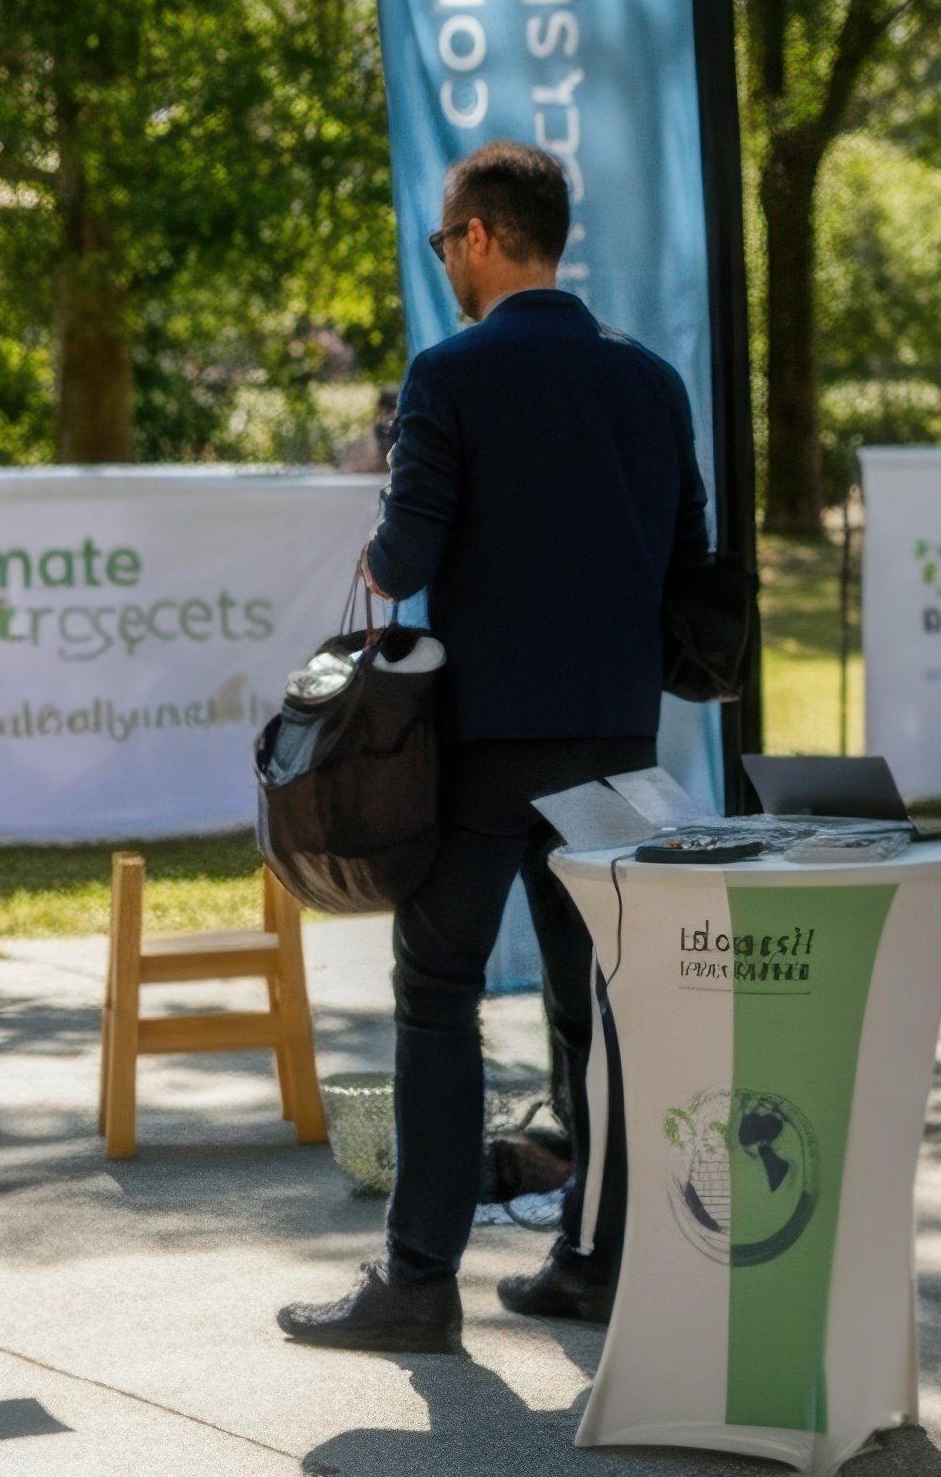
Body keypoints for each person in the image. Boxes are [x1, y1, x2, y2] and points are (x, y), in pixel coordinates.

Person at [279, 141, 707, 1353]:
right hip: (616, 743)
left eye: (443, 241)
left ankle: (417, 1282)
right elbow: (690, 562)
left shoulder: (450, 373)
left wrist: (381, 544)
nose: (445, 263)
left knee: (436, 994)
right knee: (593, 1005)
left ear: (476, 234)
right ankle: (594, 1261)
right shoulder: (651, 381)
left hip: (479, 749)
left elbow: (402, 559)